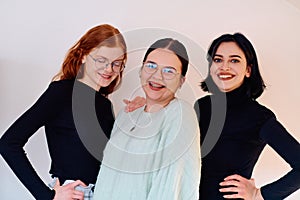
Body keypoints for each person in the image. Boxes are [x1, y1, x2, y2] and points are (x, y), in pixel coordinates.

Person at [0, 24, 128, 200]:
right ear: (83, 55)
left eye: (116, 64)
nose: (109, 69)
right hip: (73, 194)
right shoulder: (61, 92)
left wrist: (136, 113)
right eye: (101, 60)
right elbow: (8, 143)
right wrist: (47, 196)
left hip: (103, 192)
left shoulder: (105, 105)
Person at [194, 32, 300, 199]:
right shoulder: (201, 106)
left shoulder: (260, 117)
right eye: (218, 59)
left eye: (234, 60)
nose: (224, 67)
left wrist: (260, 195)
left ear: (248, 70)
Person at [93, 38, 201, 199]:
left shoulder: (181, 114)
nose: (157, 76)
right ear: (141, 70)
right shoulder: (126, 115)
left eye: (169, 71)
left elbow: (172, 186)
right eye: (151, 66)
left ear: (181, 81)